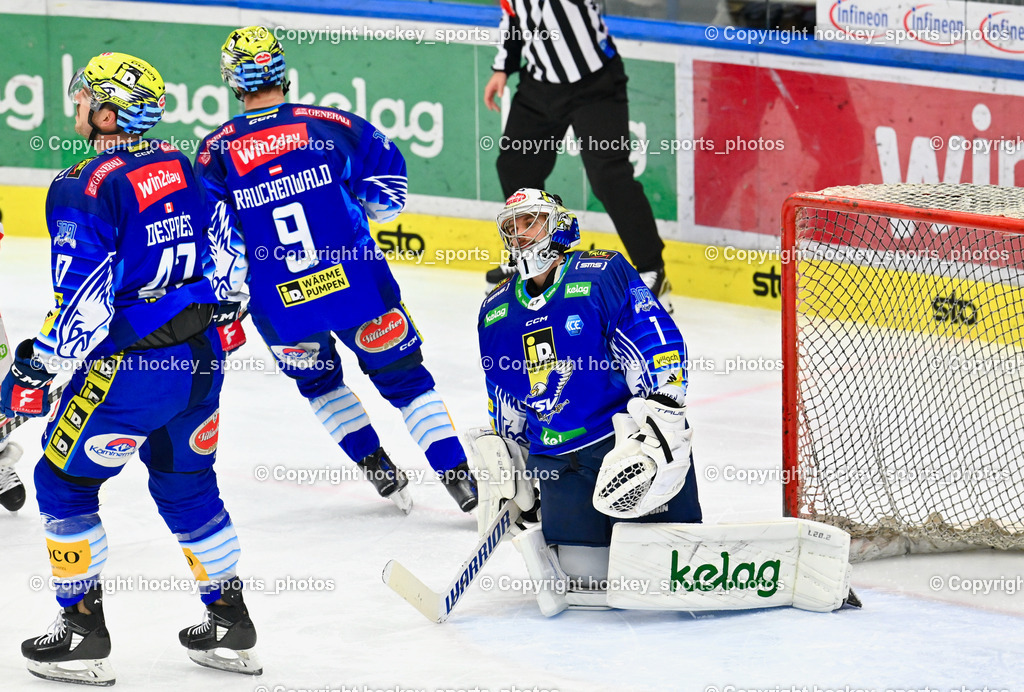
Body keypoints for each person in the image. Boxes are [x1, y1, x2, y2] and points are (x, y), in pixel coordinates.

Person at [0, 52, 260, 684]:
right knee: (188, 486)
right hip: (202, 360)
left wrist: (31, 372)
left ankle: (82, 629)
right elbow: (230, 264)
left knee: (61, 483)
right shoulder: (185, 163)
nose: (77, 103)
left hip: (130, 371)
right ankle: (230, 620)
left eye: (86, 95)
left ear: (109, 110)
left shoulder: (82, 185)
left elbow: (83, 309)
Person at [194, 26, 477, 513]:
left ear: (231, 80)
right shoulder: (333, 124)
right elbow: (389, 195)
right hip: (357, 285)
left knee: (320, 384)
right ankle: (461, 483)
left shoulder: (214, 152)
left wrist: (230, 300)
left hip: (279, 304)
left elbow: (221, 245)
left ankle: (381, 472)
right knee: (407, 383)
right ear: (282, 70)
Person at [471, 188, 700, 615]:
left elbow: (651, 334)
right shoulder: (495, 309)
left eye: (530, 221)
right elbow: (503, 391)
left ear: (558, 225)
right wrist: (511, 460)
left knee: (663, 565)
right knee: (586, 579)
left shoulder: (600, 273)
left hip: (622, 444)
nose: (521, 234)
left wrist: (666, 406)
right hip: (558, 461)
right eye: (512, 227)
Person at [482, 0, 671, 307]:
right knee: (516, 168)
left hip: (596, 85)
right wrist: (503, 67)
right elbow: (514, 16)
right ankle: (532, 256)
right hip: (539, 85)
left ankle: (652, 267)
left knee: (609, 175)